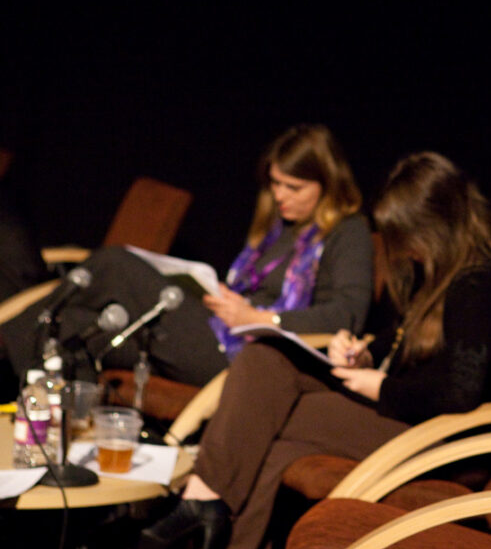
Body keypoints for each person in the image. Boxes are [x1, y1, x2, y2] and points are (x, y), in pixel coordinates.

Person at [138, 151, 491, 549]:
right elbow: (407, 339)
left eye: (404, 234)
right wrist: (365, 352)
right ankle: (205, 500)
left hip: (444, 439)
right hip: (405, 416)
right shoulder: (436, 271)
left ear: (434, 228)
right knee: (264, 361)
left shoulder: (482, 283)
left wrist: (380, 386)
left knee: (274, 423)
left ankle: (207, 522)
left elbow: (461, 390)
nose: (399, 247)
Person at [0, 124, 373, 389]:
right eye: (275, 184)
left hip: (248, 356)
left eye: (293, 187)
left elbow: (345, 314)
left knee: (116, 263)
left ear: (329, 183)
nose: (280, 196)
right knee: (73, 327)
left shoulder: (348, 232)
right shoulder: (280, 230)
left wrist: (261, 318)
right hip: (216, 330)